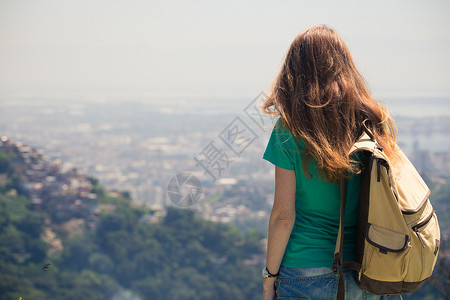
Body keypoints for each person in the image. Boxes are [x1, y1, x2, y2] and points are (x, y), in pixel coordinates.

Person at [261, 25, 398, 299]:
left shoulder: (289, 128)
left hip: (304, 269)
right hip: (367, 266)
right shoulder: (373, 120)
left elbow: (283, 216)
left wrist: (269, 278)